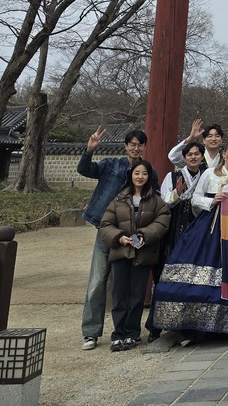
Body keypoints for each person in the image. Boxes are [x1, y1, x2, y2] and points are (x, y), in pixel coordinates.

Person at [151, 141, 228, 344]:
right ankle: (187, 324)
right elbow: (195, 198)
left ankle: (219, 326)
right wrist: (212, 202)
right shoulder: (209, 174)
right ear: (223, 154)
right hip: (207, 225)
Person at [77, 126, 147, 350]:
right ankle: (90, 332)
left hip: (132, 234)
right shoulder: (111, 164)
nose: (136, 148)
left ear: (144, 147)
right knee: (97, 281)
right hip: (106, 231)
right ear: (126, 146)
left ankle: (128, 330)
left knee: (126, 285)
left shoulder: (146, 171)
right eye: (132, 144)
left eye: (140, 144)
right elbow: (85, 170)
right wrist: (89, 150)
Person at [99, 160, 170, 352]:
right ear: (131, 175)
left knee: (137, 296)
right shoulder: (119, 198)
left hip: (143, 252)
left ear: (149, 177)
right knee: (119, 295)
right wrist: (119, 238)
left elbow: (162, 221)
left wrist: (143, 235)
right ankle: (118, 333)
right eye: (137, 173)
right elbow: (105, 224)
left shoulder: (156, 200)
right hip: (121, 252)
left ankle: (132, 332)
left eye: (144, 174)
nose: (140, 177)